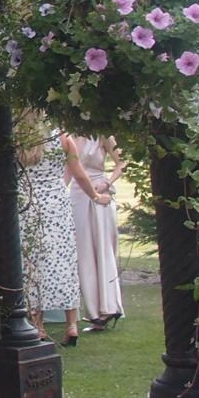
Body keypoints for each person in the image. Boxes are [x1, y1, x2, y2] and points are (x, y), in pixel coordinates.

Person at [14, 112, 81, 344]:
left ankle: (39, 326)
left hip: (28, 202)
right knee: (63, 260)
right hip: (56, 204)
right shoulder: (61, 137)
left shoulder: (20, 139)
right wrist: (92, 193)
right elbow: (77, 169)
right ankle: (71, 324)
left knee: (32, 262)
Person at [65, 133, 124, 329]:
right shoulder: (67, 136)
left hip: (101, 192)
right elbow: (68, 170)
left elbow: (121, 163)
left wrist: (107, 183)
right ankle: (94, 312)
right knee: (83, 252)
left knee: (103, 247)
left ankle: (110, 306)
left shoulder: (102, 135)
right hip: (78, 194)